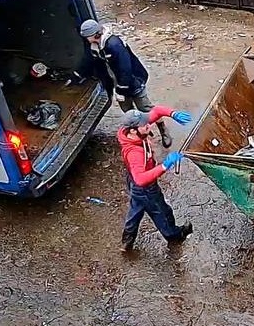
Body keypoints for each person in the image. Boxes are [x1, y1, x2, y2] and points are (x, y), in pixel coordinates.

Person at [69, 18, 176, 148]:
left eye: (87, 37)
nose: (86, 39)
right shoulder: (94, 45)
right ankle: (141, 133)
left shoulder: (114, 44)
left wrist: (121, 90)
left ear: (96, 34)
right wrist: (77, 74)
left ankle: (163, 129)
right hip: (116, 82)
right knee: (128, 112)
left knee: (145, 108)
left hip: (133, 81)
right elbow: (88, 60)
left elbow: (126, 69)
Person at [117, 106, 194, 252]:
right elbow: (140, 179)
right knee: (162, 212)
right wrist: (164, 166)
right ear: (133, 130)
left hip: (133, 183)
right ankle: (174, 235)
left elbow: (157, 111)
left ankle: (127, 240)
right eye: (146, 125)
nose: (149, 125)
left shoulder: (132, 129)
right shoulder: (135, 153)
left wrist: (173, 113)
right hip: (145, 187)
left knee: (136, 209)